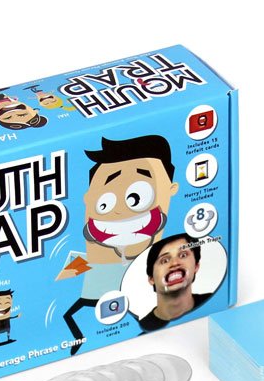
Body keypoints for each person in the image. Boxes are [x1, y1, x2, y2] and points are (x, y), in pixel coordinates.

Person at [57, 134, 179, 354]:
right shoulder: (85, 259)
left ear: (171, 189)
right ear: (88, 199)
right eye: (104, 203)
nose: (120, 212)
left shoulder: (161, 263)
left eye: (137, 197)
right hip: (96, 299)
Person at [138, 234, 212, 332]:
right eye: (164, 260)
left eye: (183, 255)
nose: (175, 263)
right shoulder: (141, 330)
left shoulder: (214, 302)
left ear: (196, 266)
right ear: (151, 278)